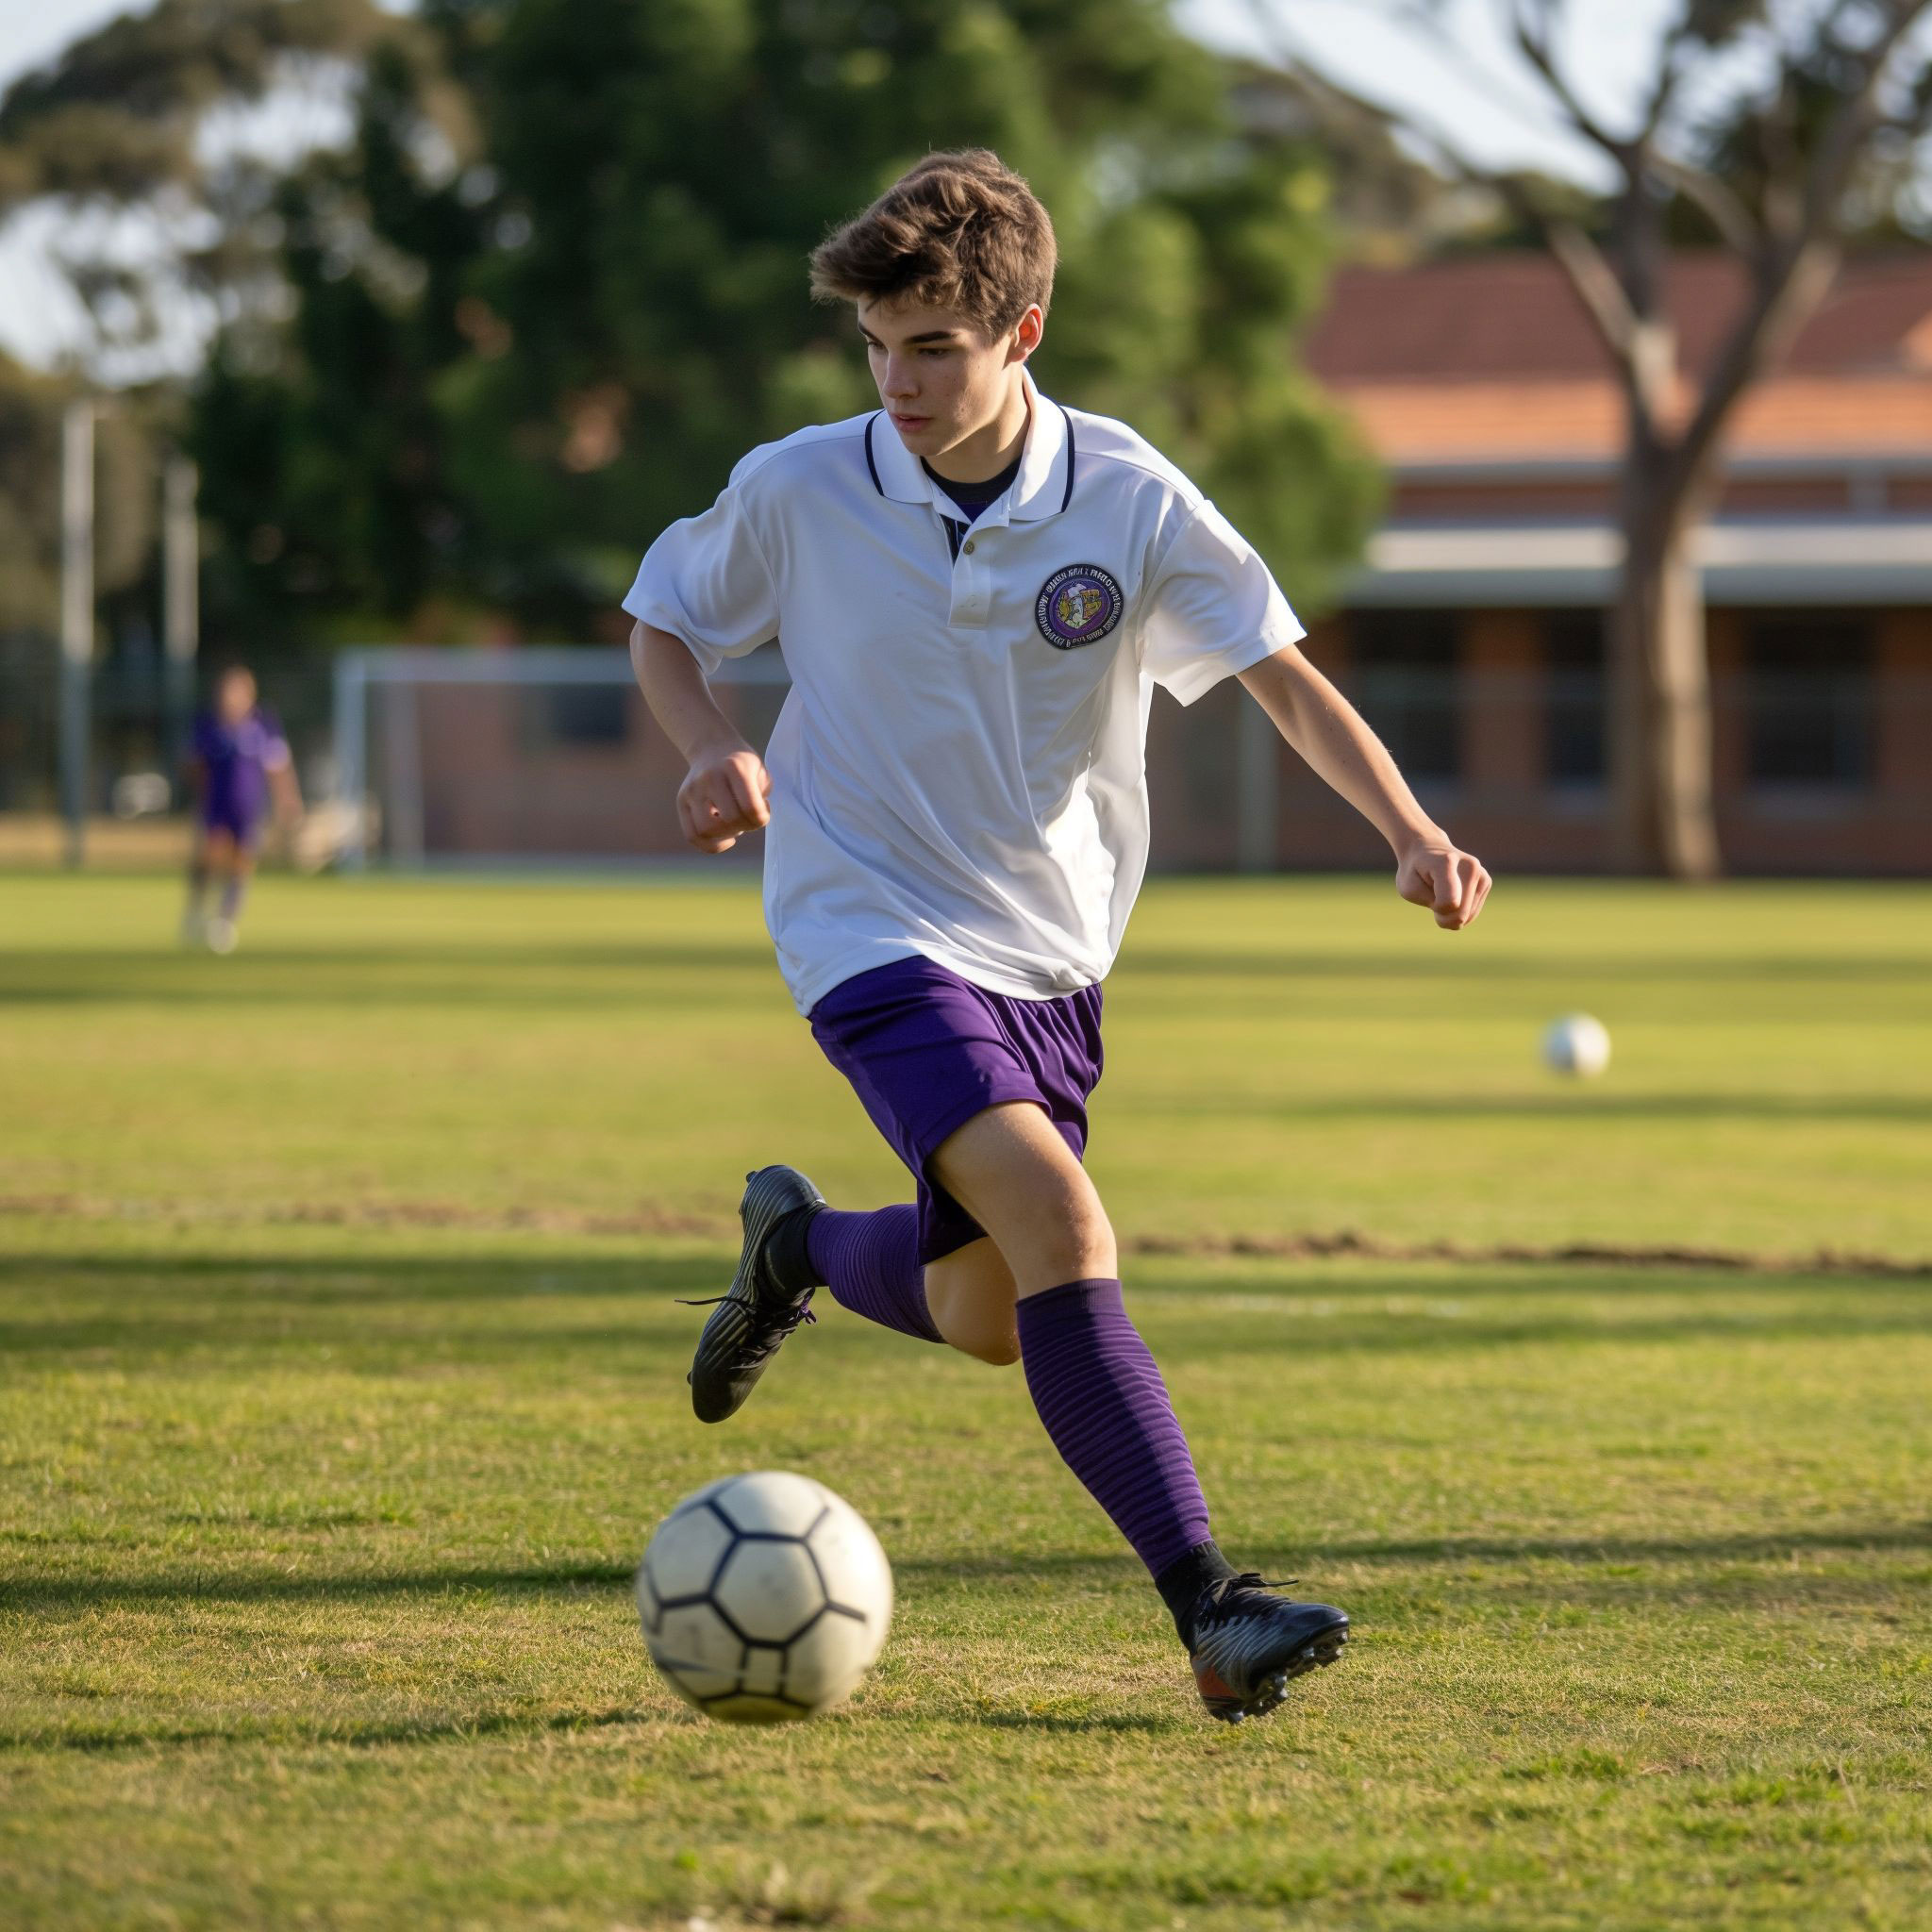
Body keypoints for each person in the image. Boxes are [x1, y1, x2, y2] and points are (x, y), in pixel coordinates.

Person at [625, 151, 1491, 1724]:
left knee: (984, 1316)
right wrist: (701, 744)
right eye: (878, 344)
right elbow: (665, 614)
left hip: (1052, 952)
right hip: (864, 921)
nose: (896, 378)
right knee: (1067, 1234)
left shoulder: (1129, 495)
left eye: (933, 344)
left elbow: (1281, 672)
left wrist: (1409, 828)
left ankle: (798, 1244)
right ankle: (1211, 1608)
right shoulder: (804, 485)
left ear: (1021, 330)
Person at [181, 665, 300, 954]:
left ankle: (225, 919)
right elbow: (192, 764)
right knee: (209, 857)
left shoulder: (263, 726)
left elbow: (279, 767)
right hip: (216, 804)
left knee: (242, 861)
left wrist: (288, 800)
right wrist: (197, 794)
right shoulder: (209, 726)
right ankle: (195, 910)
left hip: (248, 807)